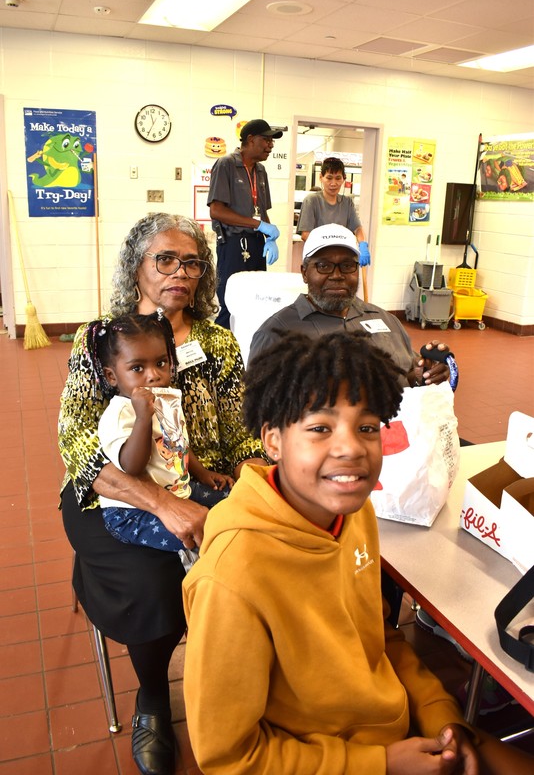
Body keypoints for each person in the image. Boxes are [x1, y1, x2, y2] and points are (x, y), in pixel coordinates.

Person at [182, 331, 533, 774]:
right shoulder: (231, 577)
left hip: (399, 733)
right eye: (320, 428)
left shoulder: (354, 513)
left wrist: (440, 712)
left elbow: (378, 639)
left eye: (367, 427)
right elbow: (230, 757)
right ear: (273, 441)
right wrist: (380, 764)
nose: (351, 448)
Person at [58, 213, 266, 775]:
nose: (180, 271)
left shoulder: (218, 343)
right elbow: (76, 442)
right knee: (155, 583)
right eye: (165, 260)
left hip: (202, 480)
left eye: (192, 261)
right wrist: (158, 500)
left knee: (261, 555)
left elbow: (242, 431)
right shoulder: (99, 338)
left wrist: (262, 467)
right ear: (138, 267)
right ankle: (153, 696)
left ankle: (248, 682)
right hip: (109, 495)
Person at [87, 311, 233, 569]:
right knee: (206, 537)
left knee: (235, 504)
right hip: (131, 513)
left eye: (161, 363)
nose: (153, 375)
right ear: (112, 376)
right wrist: (143, 419)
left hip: (179, 489)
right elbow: (131, 466)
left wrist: (202, 472)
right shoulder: (120, 414)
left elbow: (178, 442)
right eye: (137, 368)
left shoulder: (166, 399)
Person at [249, 222, 455, 390]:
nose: (337, 275)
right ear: (304, 272)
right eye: (324, 266)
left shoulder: (386, 321)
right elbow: (260, 413)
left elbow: (408, 375)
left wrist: (425, 375)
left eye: (347, 266)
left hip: (398, 434)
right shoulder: (275, 335)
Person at [207, 118, 283, 329]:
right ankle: (222, 355)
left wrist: (270, 236)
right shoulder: (226, 165)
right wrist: (257, 225)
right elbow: (217, 210)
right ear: (250, 140)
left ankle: (249, 353)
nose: (271, 145)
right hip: (233, 243)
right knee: (231, 303)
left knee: (257, 300)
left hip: (257, 243)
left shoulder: (261, 171)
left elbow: (262, 210)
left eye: (272, 141)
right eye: (266, 140)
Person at [297, 156, 371, 266]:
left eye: (338, 178)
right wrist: (332, 246)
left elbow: (357, 228)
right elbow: (305, 235)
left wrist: (363, 245)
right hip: (319, 260)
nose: (333, 183)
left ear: (343, 179)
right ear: (321, 177)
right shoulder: (312, 201)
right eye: (329, 178)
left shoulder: (347, 202)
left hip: (342, 260)